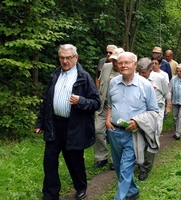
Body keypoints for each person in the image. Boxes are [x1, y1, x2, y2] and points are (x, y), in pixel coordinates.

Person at [35, 44, 101, 200]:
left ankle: (81, 186)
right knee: (49, 161)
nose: (65, 61)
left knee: (74, 160)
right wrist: (40, 123)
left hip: (74, 127)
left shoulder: (84, 77)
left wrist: (81, 101)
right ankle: (50, 194)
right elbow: (47, 101)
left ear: (76, 58)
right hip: (54, 126)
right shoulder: (55, 75)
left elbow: (96, 103)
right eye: (62, 58)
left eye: (68, 58)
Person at [106, 52, 159, 200]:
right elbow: (110, 104)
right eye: (121, 63)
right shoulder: (113, 82)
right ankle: (133, 191)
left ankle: (120, 198)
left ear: (135, 65)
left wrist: (137, 122)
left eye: (127, 62)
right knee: (118, 167)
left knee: (125, 168)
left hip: (134, 134)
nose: (123, 65)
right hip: (114, 131)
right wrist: (108, 120)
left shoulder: (145, 86)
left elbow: (154, 111)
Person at [136, 57, 171, 181]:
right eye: (139, 72)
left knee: (152, 139)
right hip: (140, 113)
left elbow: (167, 94)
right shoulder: (136, 78)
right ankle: (139, 161)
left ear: (151, 69)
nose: (141, 75)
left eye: (143, 72)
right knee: (139, 138)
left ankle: (145, 168)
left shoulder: (159, 78)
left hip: (156, 112)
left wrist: (168, 106)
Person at [93, 48, 124, 170]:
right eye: (113, 61)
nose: (115, 63)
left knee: (115, 133)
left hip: (118, 108)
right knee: (97, 130)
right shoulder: (106, 67)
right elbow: (100, 82)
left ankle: (114, 159)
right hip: (103, 105)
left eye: (117, 61)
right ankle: (101, 157)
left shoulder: (127, 71)